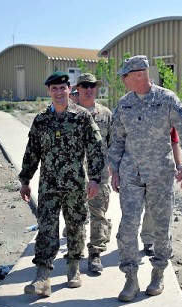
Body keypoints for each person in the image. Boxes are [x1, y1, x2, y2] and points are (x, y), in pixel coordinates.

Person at [109, 55, 182, 302]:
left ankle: (158, 274)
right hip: (131, 174)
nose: (122, 80)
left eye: (124, 75)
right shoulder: (124, 104)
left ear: (139, 74)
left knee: (161, 227)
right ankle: (130, 278)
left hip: (160, 174)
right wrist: (114, 170)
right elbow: (116, 141)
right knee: (127, 226)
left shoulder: (167, 99)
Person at [18, 71, 104, 297]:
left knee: (75, 226)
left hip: (76, 185)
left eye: (62, 88)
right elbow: (32, 152)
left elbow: (96, 149)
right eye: (53, 89)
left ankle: (74, 268)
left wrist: (95, 178)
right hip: (48, 186)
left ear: (69, 90)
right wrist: (25, 180)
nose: (58, 93)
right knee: (47, 228)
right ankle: (42, 276)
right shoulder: (41, 120)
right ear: (49, 91)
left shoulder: (83, 117)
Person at [75, 73, 113, 273]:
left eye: (92, 86)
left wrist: (112, 168)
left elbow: (112, 144)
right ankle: (76, 249)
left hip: (99, 172)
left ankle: (95, 253)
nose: (89, 89)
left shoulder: (105, 114)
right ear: (78, 88)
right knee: (76, 213)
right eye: (85, 86)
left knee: (98, 212)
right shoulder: (69, 112)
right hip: (74, 173)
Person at [140, 127, 182, 256]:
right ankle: (148, 240)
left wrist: (180, 165)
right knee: (149, 207)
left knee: (166, 208)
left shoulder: (167, 116)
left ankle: (165, 244)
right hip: (140, 169)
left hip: (164, 170)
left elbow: (175, 143)